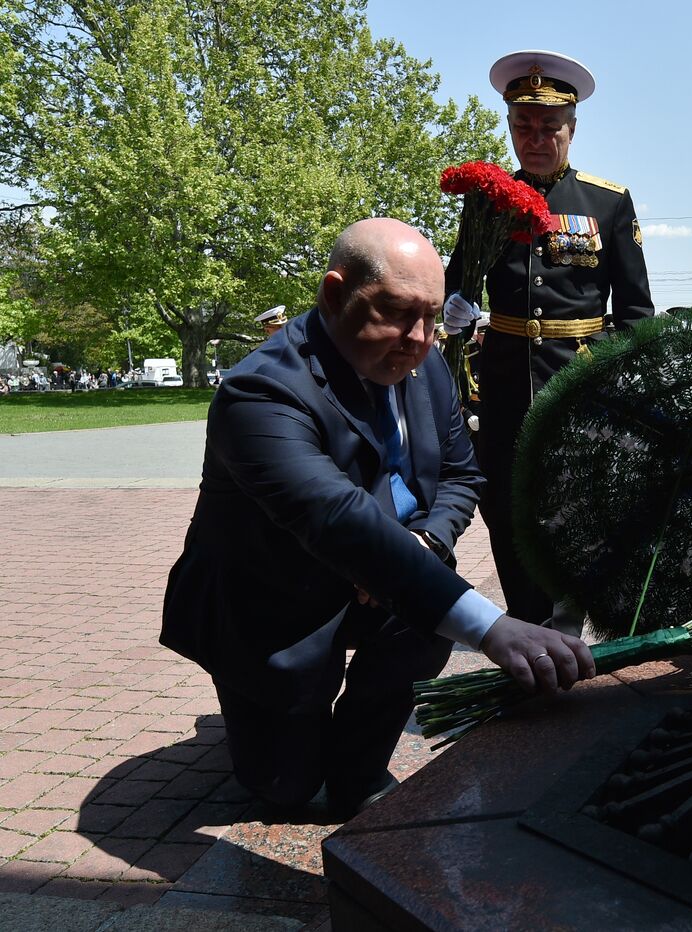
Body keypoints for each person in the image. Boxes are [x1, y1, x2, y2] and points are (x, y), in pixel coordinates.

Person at [161, 219, 593, 816]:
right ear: (334, 295)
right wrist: (494, 628)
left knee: (419, 628)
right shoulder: (259, 394)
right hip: (272, 607)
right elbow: (337, 518)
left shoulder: (427, 364)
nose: (418, 338)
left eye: (433, 316)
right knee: (285, 791)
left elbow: (462, 477)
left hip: (382, 581)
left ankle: (356, 765)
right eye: (395, 311)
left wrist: (421, 544)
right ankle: (287, 740)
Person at [443, 50, 654, 634]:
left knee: (579, 503)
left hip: (580, 378)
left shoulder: (606, 202)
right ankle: (527, 614)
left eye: (549, 126)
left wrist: (627, 390)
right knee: (506, 504)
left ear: (572, 128)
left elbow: (635, 310)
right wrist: (455, 303)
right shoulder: (487, 198)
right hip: (506, 379)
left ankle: (568, 614)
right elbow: (460, 275)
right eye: (522, 126)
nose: (535, 138)